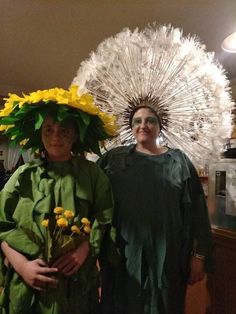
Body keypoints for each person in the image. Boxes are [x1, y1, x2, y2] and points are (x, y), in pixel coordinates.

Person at [0, 86, 117, 314]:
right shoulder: (22, 176)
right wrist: (22, 266)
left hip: (77, 290)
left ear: (75, 134)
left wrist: (84, 249)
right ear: (39, 133)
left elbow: (105, 218)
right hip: (27, 292)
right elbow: (2, 226)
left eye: (64, 130)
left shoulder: (93, 175)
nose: (55, 137)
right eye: (49, 129)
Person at [98, 105, 213, 314]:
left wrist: (199, 255)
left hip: (168, 256)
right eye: (137, 121)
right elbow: (91, 194)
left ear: (160, 127)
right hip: (123, 254)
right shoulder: (113, 160)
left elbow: (198, 213)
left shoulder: (179, 162)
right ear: (130, 127)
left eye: (150, 120)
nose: (144, 125)